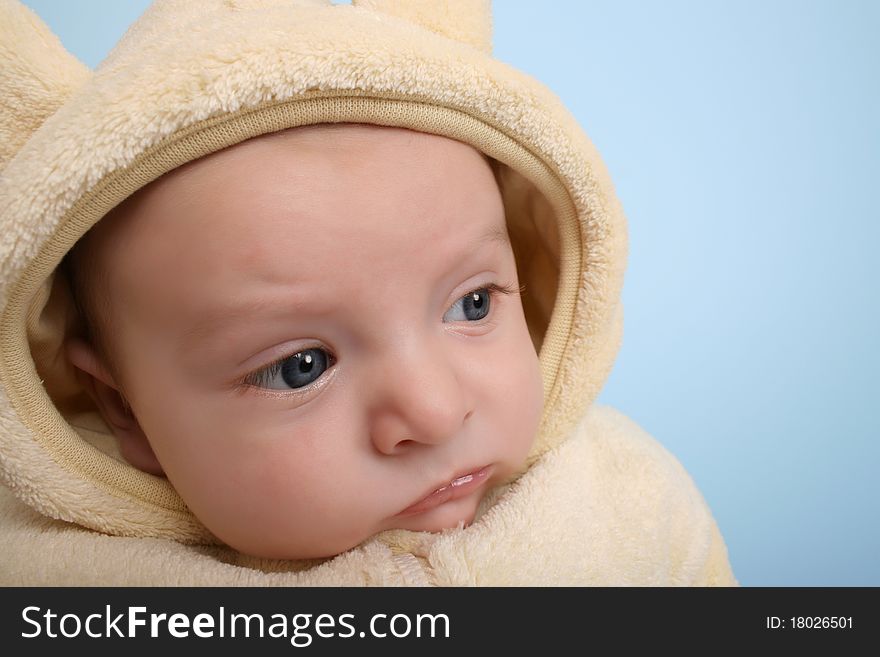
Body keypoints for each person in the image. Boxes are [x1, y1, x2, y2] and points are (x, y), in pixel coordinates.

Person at [0, 0, 737, 585]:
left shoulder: (626, 504)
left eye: (472, 304)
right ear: (121, 406)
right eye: (301, 365)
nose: (437, 411)